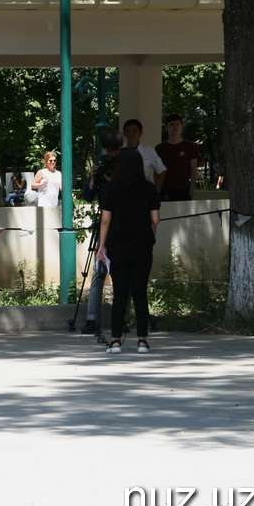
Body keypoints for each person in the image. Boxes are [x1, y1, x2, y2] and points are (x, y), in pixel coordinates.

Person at [97, 148, 161, 354]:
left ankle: (115, 341)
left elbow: (106, 219)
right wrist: (150, 236)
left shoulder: (111, 189)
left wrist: (102, 245)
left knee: (120, 294)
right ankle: (142, 340)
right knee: (140, 293)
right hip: (142, 245)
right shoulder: (149, 189)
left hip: (118, 246)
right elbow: (155, 219)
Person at [79, 130, 123, 335]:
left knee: (121, 274)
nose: (112, 155)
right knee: (98, 272)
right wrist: (92, 177)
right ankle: (91, 319)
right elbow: (87, 196)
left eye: (115, 150)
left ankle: (121, 318)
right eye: (109, 150)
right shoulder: (101, 167)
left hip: (122, 225)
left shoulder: (127, 165)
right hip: (103, 227)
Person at [155, 113, 200, 201]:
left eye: (177, 124)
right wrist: (157, 188)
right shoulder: (160, 148)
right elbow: (156, 170)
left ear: (181, 126)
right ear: (166, 127)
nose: (175, 127)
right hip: (165, 190)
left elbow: (193, 170)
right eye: (171, 124)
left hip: (183, 190)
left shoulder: (190, 147)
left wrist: (191, 191)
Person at [122, 118, 167, 191]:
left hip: (143, 189)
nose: (131, 134)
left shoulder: (149, 151)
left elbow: (161, 170)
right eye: (128, 131)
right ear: (124, 134)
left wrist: (157, 188)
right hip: (124, 189)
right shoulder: (119, 151)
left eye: (134, 131)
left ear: (140, 133)